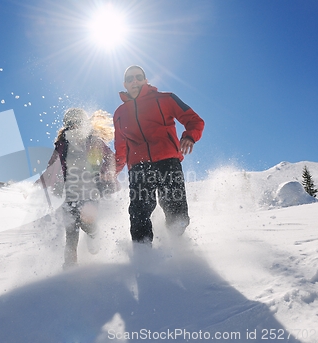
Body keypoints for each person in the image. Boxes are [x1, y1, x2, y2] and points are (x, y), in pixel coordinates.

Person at [113, 65, 205, 244]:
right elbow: (121, 147)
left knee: (177, 213)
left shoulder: (166, 99)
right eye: (130, 79)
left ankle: (178, 248)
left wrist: (189, 137)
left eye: (139, 77)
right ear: (125, 84)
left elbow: (195, 121)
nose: (135, 81)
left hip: (168, 162)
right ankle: (143, 258)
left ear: (146, 80)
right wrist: (114, 170)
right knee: (139, 212)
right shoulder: (119, 113)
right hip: (139, 168)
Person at [38, 108, 117, 269]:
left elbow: (109, 156)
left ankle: (94, 234)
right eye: (70, 124)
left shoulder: (93, 141)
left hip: (90, 189)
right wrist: (41, 183)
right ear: (66, 126)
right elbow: (52, 166)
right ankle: (69, 265)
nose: (74, 126)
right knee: (71, 228)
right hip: (68, 192)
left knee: (86, 220)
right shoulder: (61, 145)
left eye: (77, 123)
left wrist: (108, 171)